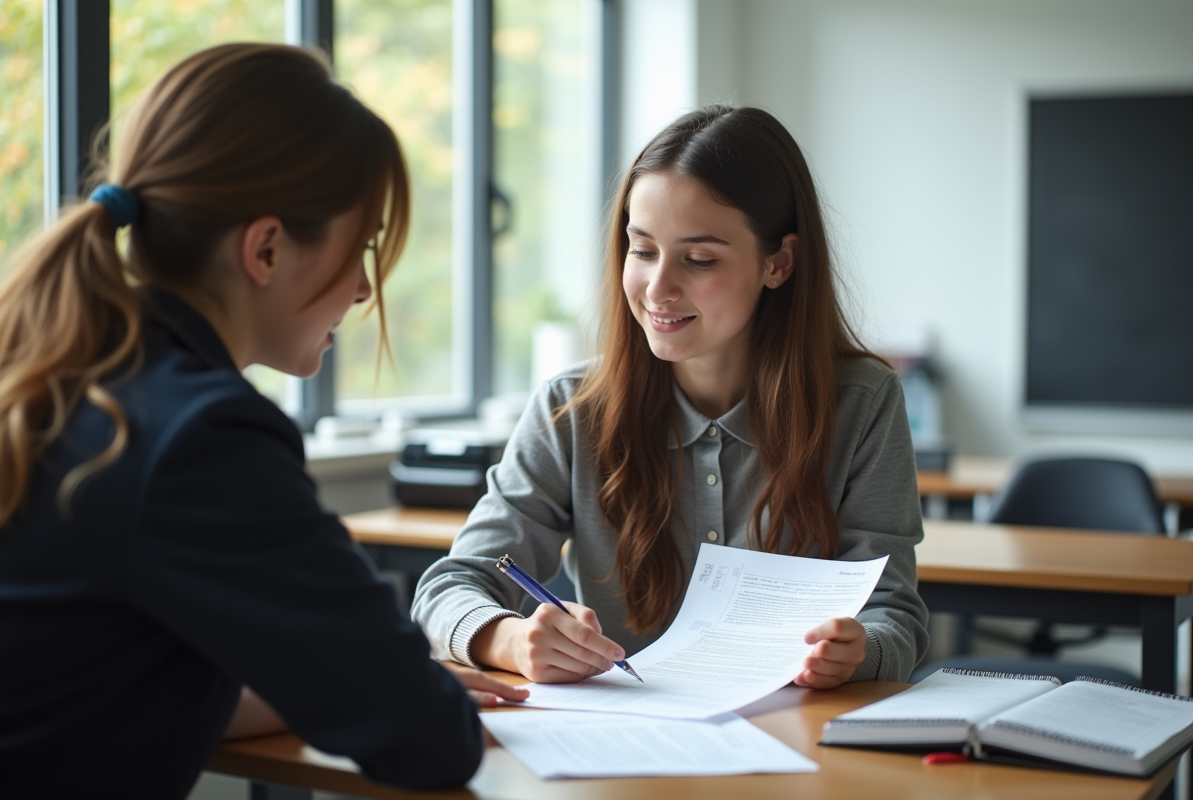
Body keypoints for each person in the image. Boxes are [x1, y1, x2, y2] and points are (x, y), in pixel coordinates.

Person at [0, 43, 524, 800]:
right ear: (267, 248)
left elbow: (98, 682)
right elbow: (429, 741)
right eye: (362, 248)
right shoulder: (201, 438)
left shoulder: (69, 382)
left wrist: (341, 688)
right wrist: (391, 688)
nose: (365, 291)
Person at [413, 105, 929, 688]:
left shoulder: (863, 403)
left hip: (792, 746)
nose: (658, 289)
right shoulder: (572, 407)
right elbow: (446, 589)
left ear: (778, 263)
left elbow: (896, 616)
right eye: (642, 250)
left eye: (699, 259)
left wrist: (860, 651)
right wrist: (504, 638)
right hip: (625, 750)